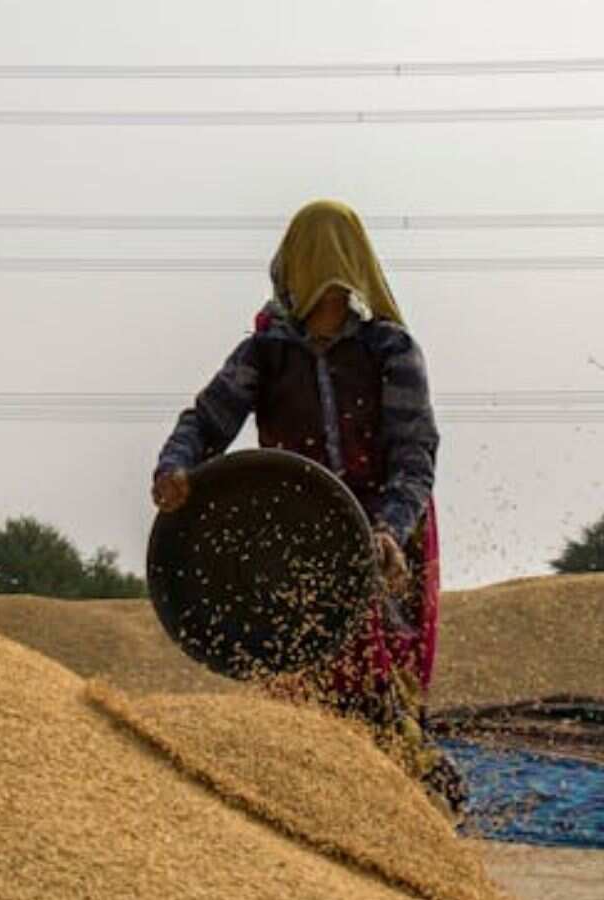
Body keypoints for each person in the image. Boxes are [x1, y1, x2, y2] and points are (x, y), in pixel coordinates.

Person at [151, 199, 465, 814]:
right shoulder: (264, 354)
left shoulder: (389, 350)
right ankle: (312, 809)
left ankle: (419, 806)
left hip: (385, 537)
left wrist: (389, 530)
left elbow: (414, 455)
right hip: (297, 539)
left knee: (383, 690)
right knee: (305, 687)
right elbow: (207, 421)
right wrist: (175, 468)